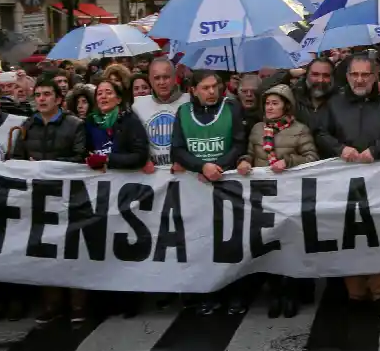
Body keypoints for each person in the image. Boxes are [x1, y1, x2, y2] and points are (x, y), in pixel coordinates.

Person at [317, 54, 380, 315]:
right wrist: (340, 149)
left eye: (365, 74)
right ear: (347, 77)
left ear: (375, 76)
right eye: (354, 74)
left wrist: (377, 150)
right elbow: (321, 133)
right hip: (344, 182)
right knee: (349, 235)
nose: (359, 79)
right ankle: (355, 293)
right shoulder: (334, 103)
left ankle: (379, 292)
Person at [10, 77, 89, 324]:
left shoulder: (75, 125)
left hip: (69, 196)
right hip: (39, 198)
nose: (41, 99)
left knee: (72, 250)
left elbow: (80, 158)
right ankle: (52, 305)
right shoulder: (27, 126)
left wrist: (47, 166)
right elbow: (15, 159)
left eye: (46, 94)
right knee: (44, 251)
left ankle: (78, 305)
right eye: (38, 95)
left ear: (59, 99)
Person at [170, 70, 249, 315]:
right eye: (205, 88)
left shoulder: (231, 107)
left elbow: (239, 144)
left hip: (226, 184)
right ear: (193, 90)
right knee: (202, 242)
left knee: (231, 241)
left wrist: (218, 167)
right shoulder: (183, 112)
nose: (212, 91)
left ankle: (235, 293)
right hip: (197, 187)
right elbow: (177, 149)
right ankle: (208, 293)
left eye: (215, 86)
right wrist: (201, 166)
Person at [238, 84, 319, 318]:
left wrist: (289, 161)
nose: (270, 107)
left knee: (291, 244)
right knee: (269, 245)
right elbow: (250, 153)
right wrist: (244, 161)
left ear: (286, 106)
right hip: (264, 198)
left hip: (290, 196)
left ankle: (291, 293)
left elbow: (312, 157)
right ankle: (275, 293)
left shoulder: (300, 130)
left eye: (275, 103)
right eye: (267, 103)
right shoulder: (257, 129)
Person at [132, 57, 189, 167]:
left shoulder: (189, 101)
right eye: (157, 78)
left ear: (174, 78)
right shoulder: (137, 106)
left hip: (185, 172)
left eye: (166, 77)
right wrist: (143, 161)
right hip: (152, 173)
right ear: (150, 80)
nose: (162, 82)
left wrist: (186, 161)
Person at [293, 57, 336, 136]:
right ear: (306, 75)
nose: (320, 80)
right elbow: (268, 86)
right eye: (315, 74)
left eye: (326, 75)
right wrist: (288, 73)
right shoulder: (294, 97)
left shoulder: (341, 102)